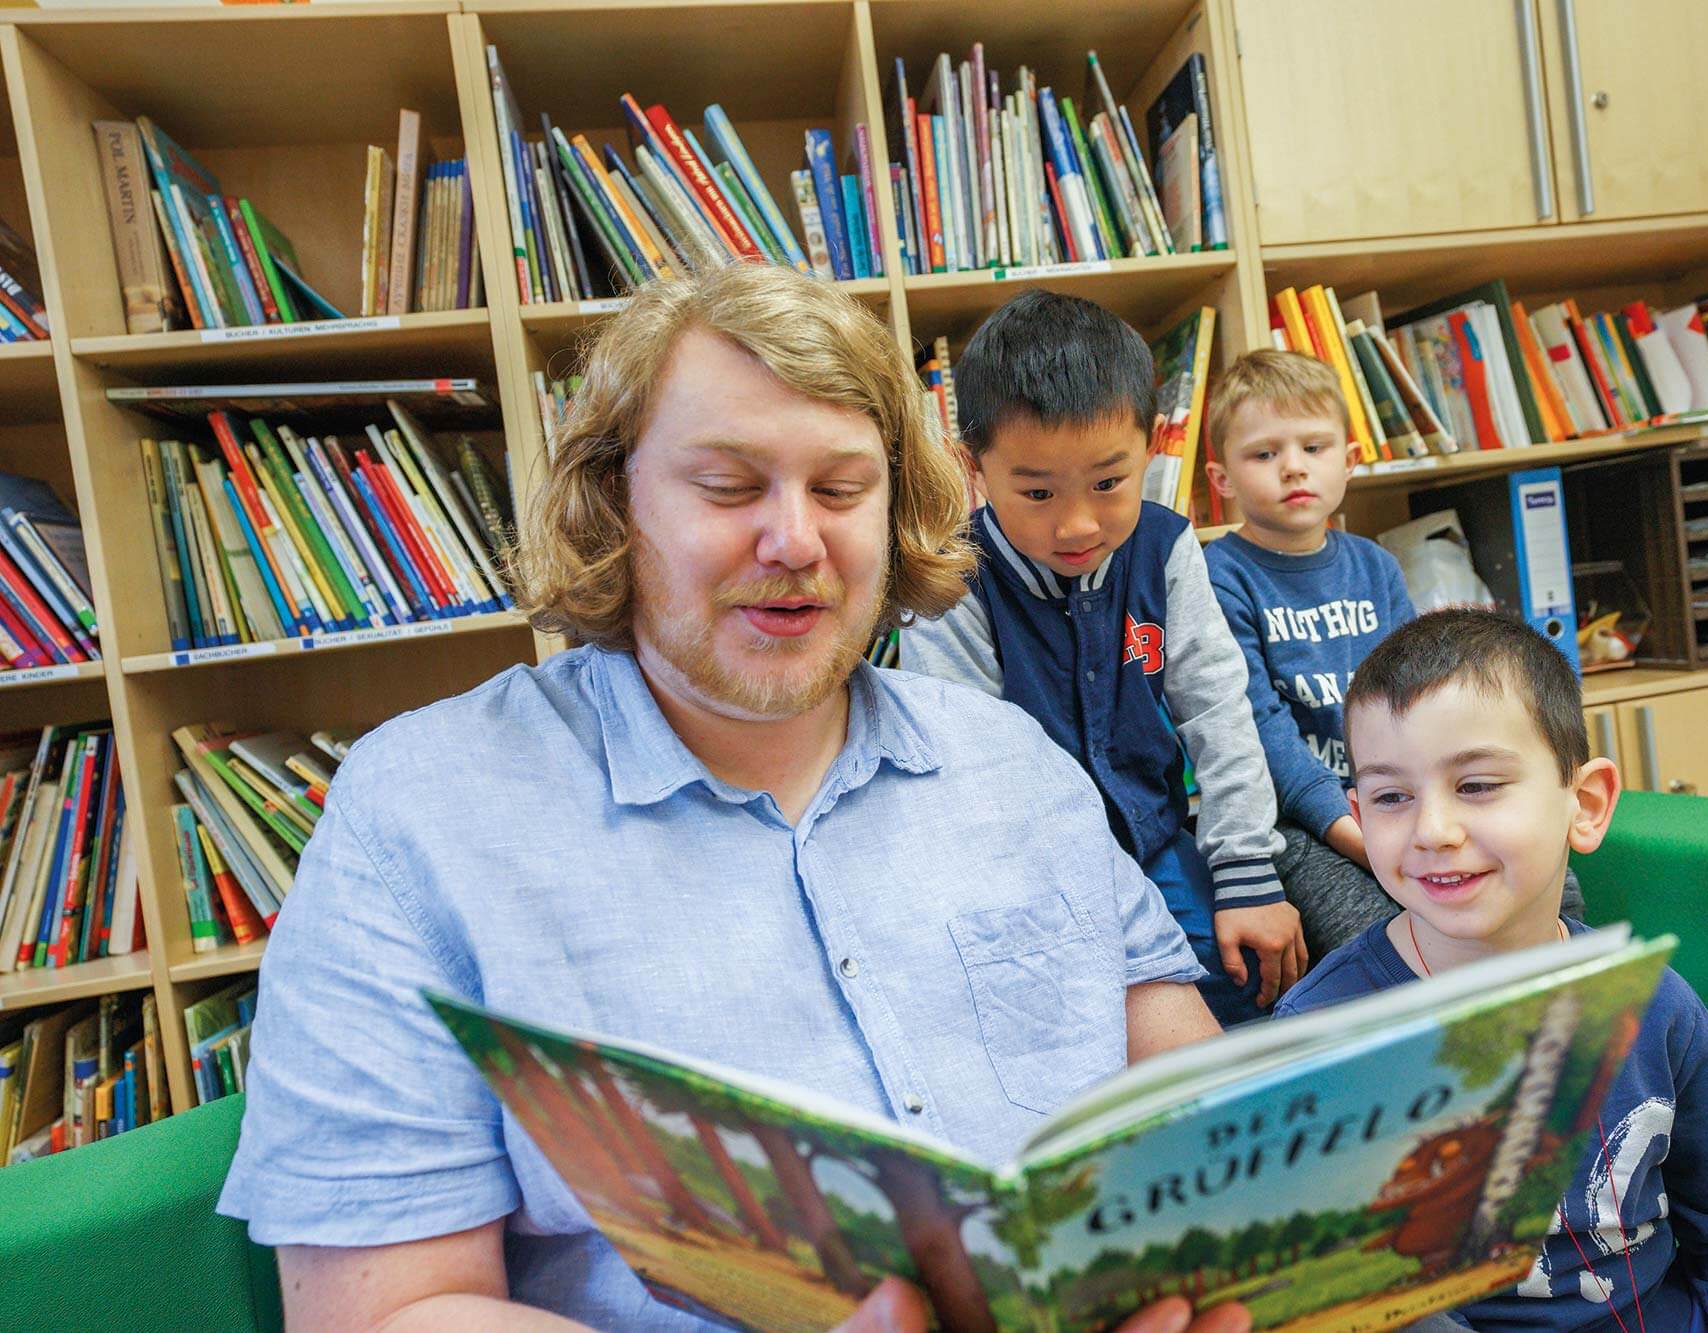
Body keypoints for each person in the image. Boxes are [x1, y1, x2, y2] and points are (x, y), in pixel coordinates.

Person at [215, 264, 1232, 1330]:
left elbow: (1207, 1121)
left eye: (840, 489)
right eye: (729, 486)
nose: (795, 541)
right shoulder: (418, 816)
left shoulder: (1013, 764)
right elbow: (383, 1313)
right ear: (614, 500)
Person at [1276, 608, 1708, 1330]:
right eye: (1393, 797)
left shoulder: (1655, 1004)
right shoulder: (1318, 1036)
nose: (1432, 831)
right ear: (1359, 816)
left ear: (1586, 805)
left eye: (1477, 784)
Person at [898, 290, 1305, 1026]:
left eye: (1109, 484)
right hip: (1026, 868)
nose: (1078, 524)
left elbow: (1218, 711)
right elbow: (968, 769)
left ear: (1152, 448)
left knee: (1245, 984)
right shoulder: (955, 578)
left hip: (1154, 840)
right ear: (973, 467)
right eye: (1037, 492)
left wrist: (1247, 869)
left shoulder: (1166, 548)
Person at [1199, 349, 1416, 959]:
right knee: (1376, 936)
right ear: (1222, 479)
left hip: (1394, 802)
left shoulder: (1376, 567)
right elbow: (1261, 731)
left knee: (1550, 890)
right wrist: (1359, 839)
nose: (1293, 467)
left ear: (1349, 460)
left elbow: (1419, 699)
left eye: (1314, 447)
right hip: (1295, 824)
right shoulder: (1219, 576)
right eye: (1264, 454)